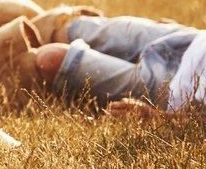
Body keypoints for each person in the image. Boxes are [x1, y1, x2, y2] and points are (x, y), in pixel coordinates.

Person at [34, 15, 206, 118]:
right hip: (191, 40)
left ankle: (17, 73)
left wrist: (159, 118)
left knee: (50, 59)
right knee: (71, 29)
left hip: (175, 89)